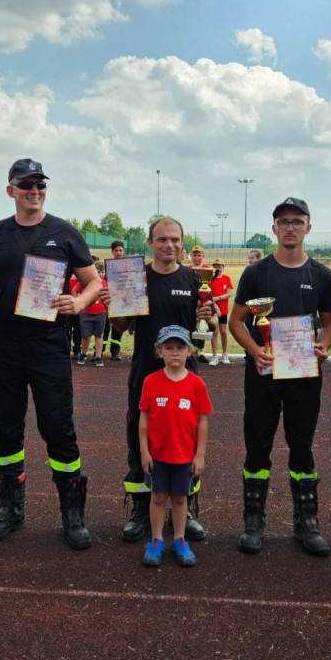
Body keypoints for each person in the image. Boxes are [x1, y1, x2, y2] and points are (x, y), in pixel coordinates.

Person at [0, 158, 101, 550]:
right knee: (6, 427)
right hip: (4, 343)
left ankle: (72, 513)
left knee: (58, 427)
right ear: (10, 190)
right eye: (26, 185)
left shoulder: (64, 232)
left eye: (40, 184)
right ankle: (10, 510)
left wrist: (77, 303)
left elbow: (92, 282)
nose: (35, 191)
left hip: (48, 344)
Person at [229, 197, 331, 556]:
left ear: (308, 227)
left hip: (304, 375)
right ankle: (253, 520)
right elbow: (236, 321)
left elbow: (329, 324)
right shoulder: (256, 273)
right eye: (283, 221)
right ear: (274, 228)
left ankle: (306, 522)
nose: (290, 227)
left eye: (297, 221)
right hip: (263, 374)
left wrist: (322, 347)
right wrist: (253, 348)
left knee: (302, 446)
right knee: (258, 445)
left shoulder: (322, 274)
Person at [102, 217, 212, 542]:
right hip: (145, 375)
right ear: (150, 243)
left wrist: (206, 318)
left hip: (185, 378)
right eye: (162, 239)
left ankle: (185, 507)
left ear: (182, 242)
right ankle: (140, 508)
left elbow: (199, 336)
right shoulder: (136, 277)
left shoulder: (194, 279)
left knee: (186, 442)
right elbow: (122, 327)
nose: (170, 245)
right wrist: (114, 307)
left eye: (175, 240)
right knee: (141, 441)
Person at [139, 325, 211, 568]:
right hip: (158, 456)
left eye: (180, 347)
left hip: (184, 456)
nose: (175, 353)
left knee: (180, 500)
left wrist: (199, 455)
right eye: (168, 348)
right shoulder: (150, 382)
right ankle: (157, 540)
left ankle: (179, 540)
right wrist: (144, 451)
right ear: (159, 352)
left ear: (189, 351)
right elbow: (144, 419)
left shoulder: (196, 385)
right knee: (157, 498)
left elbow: (202, 421)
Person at [73, 263, 107, 367]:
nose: (100, 274)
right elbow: (75, 290)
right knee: (86, 336)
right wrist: (78, 303)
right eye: (98, 271)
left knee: (99, 335)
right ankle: (83, 354)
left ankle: (98, 356)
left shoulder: (105, 283)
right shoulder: (86, 282)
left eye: (102, 272)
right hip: (86, 313)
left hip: (100, 313)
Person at [207, 259, 234, 365]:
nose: (217, 268)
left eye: (219, 266)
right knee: (215, 331)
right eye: (215, 266)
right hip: (214, 309)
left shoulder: (226, 278)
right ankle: (214, 355)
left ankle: (224, 353)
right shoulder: (210, 279)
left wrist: (217, 298)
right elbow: (209, 296)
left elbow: (228, 293)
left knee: (223, 331)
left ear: (223, 267)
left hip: (224, 309)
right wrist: (215, 305)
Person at [102, 240, 126, 360]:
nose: (118, 252)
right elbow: (103, 281)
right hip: (109, 299)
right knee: (105, 326)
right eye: (116, 250)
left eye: (120, 250)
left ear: (124, 251)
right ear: (112, 252)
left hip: (121, 300)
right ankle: (100, 351)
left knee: (118, 327)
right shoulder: (107, 266)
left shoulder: (128, 265)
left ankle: (115, 352)